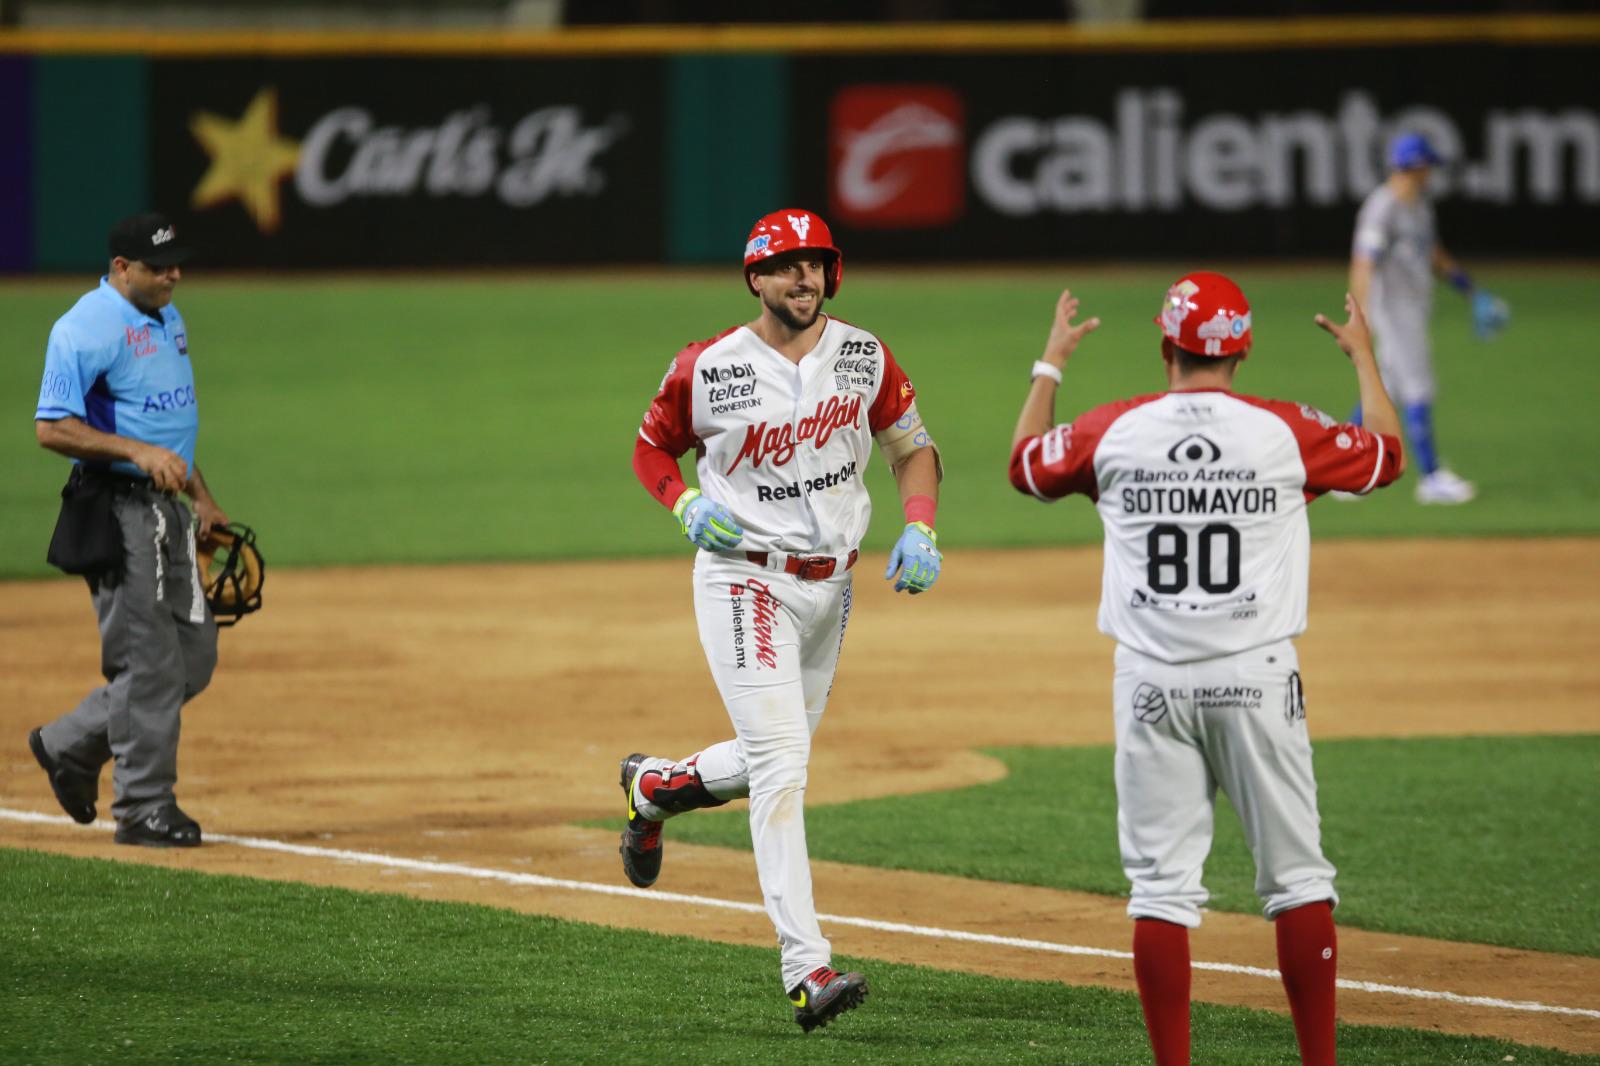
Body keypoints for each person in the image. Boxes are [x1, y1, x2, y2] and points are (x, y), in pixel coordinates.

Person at [1007, 274, 1405, 1066]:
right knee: (1297, 882)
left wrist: (1050, 365)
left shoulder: (1115, 429)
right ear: (1242, 350)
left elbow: (1026, 465)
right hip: (1256, 677)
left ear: (1167, 345)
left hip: (1151, 682)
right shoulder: (1284, 431)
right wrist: (1364, 359)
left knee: (1161, 891)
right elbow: (1386, 458)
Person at [623, 208, 943, 1032]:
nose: (805, 277)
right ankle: (807, 969)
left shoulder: (865, 356)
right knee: (782, 765)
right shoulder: (708, 366)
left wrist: (920, 525)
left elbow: (912, 447)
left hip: (831, 589)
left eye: (816, 263)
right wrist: (684, 501)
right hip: (744, 580)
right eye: (787, 264)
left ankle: (654, 789)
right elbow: (650, 448)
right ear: (755, 278)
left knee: (774, 754)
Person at [28, 211, 228, 848]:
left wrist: (203, 497)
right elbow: (52, 426)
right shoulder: (84, 327)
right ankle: (143, 808)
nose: (174, 276)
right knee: (147, 662)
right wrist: (135, 452)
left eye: (176, 264)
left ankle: (70, 744)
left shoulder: (168, 317)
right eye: (158, 266)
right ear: (121, 268)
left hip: (170, 511)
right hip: (117, 512)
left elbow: (169, 423)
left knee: (193, 657)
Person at [1348, 131, 1508, 505]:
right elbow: (1363, 263)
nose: (1431, 172)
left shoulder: (1419, 205)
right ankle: (1431, 477)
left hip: (1414, 309)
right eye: (1428, 165)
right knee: (1418, 387)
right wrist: (1359, 316)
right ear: (1415, 166)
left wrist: (1470, 289)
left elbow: (1432, 253)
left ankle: (1343, 465)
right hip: (1394, 312)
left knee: (1387, 386)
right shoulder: (1382, 208)